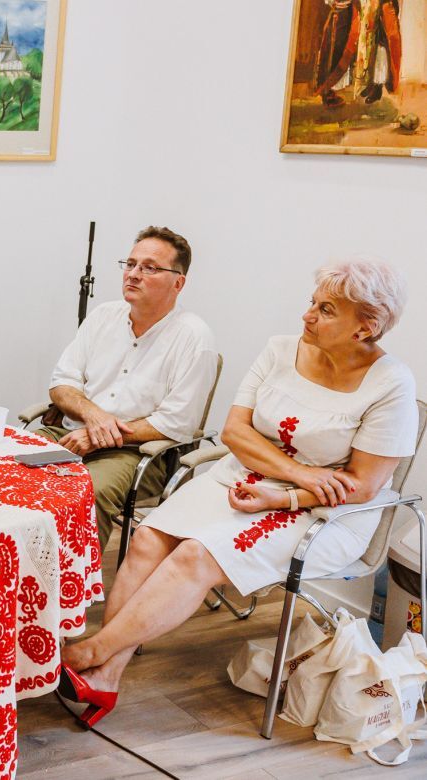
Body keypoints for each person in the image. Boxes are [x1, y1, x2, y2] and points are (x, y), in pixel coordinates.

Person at [60, 259, 416, 727]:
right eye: (312, 303)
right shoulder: (279, 350)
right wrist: (302, 473)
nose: (307, 316)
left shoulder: (391, 384)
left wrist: (289, 494)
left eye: (326, 310)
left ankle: (89, 652)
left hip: (324, 513)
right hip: (245, 476)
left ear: (364, 328)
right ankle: (106, 675)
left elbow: (362, 484)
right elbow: (235, 432)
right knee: (149, 538)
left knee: (195, 556)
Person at [34, 226, 218, 552]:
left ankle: (67, 595)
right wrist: (93, 416)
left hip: (135, 452)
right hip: (69, 430)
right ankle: (9, 572)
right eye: (130, 264)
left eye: (149, 267)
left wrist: (97, 436)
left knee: (88, 492)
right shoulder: (104, 316)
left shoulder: (193, 338)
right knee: (4, 463)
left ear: (178, 282)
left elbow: (177, 422)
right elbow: (62, 383)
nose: (133, 274)